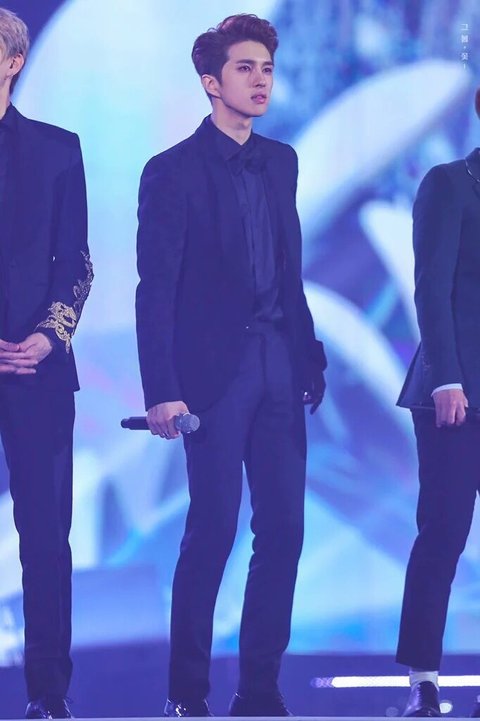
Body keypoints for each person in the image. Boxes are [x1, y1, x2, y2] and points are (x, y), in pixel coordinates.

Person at [135, 13, 326, 718]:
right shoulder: (172, 171)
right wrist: (162, 390)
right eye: (245, 68)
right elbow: (155, 289)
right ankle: (187, 694)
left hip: (281, 366)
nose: (260, 81)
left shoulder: (282, 161)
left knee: (284, 533)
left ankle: (259, 692)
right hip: (214, 379)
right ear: (211, 83)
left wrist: (307, 356)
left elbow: (289, 266)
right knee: (212, 530)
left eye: (266, 68)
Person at [0, 8, 92, 718]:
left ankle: (48, 693)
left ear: (13, 62)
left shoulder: (58, 150)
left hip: (38, 370)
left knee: (45, 536)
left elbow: (77, 263)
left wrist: (48, 335)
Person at [396, 88, 480, 717]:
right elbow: (431, 287)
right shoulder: (450, 184)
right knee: (444, 533)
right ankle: (423, 677)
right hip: (456, 392)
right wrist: (447, 376)